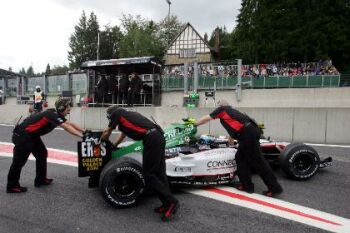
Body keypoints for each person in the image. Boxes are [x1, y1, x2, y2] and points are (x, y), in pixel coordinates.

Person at [101, 106, 179, 221]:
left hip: (152, 138)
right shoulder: (126, 116)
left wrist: (101, 140)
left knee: (149, 174)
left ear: (110, 116)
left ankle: (172, 202)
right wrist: (114, 146)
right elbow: (123, 135)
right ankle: (166, 203)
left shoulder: (116, 114)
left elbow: (107, 132)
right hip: (157, 137)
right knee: (159, 173)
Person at [195, 99, 283, 197]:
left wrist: (195, 124)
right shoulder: (232, 112)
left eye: (218, 106)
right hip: (248, 133)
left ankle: (274, 188)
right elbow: (235, 127)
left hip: (247, 134)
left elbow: (206, 118)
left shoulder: (222, 109)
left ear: (221, 106)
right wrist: (231, 143)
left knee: (259, 162)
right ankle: (247, 185)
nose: (217, 108)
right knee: (240, 159)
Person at [6, 98, 86, 193]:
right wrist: (81, 136)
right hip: (23, 136)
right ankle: (12, 186)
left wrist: (85, 131)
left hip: (32, 135)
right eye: (68, 109)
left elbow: (70, 123)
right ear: (62, 108)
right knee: (19, 161)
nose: (69, 111)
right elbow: (67, 128)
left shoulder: (56, 114)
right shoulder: (51, 115)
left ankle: (41, 179)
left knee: (42, 154)